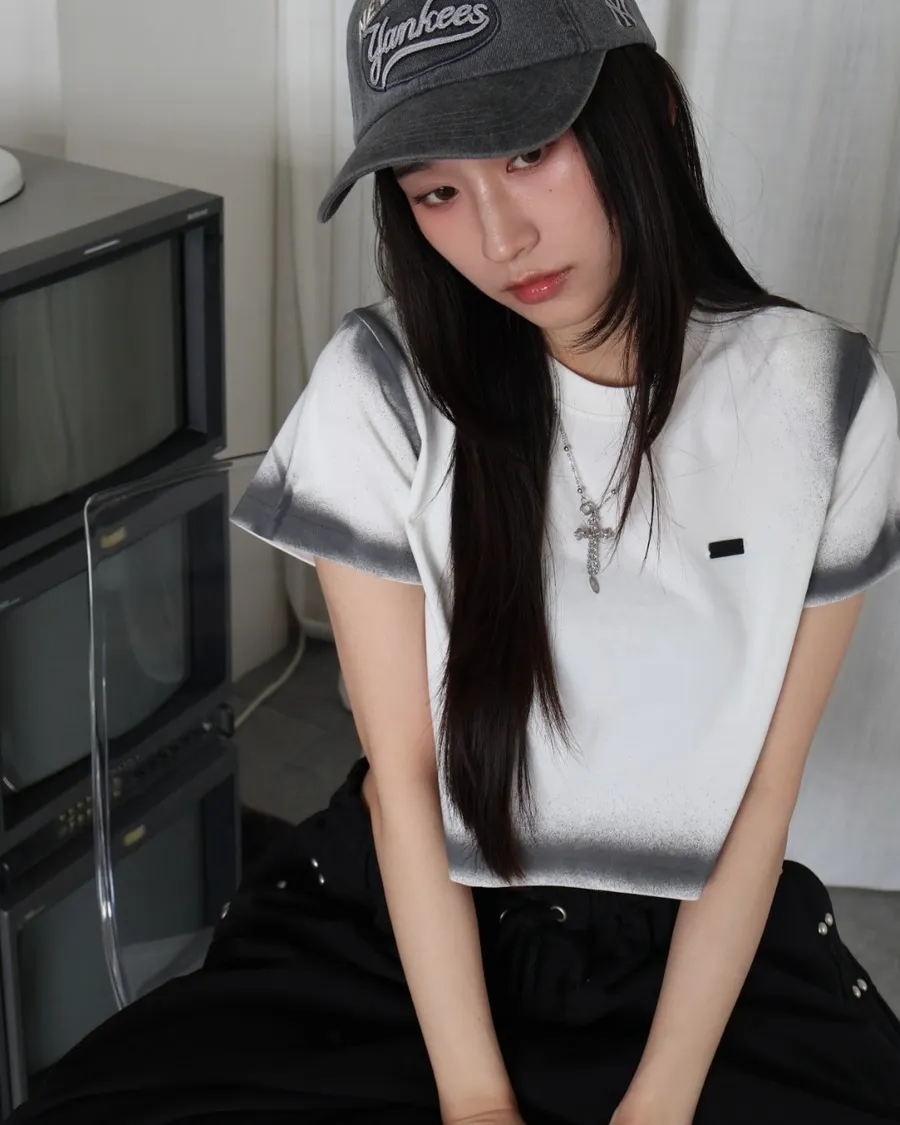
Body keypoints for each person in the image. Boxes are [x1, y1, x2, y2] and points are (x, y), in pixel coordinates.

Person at [10, 1, 900, 1123]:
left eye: (530, 153)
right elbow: (405, 782)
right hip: (408, 923)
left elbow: (763, 790)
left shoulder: (824, 400)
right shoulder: (379, 389)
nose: (500, 238)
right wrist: (476, 1102)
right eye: (436, 191)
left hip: (695, 940)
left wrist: (661, 1102)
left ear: (656, 117)